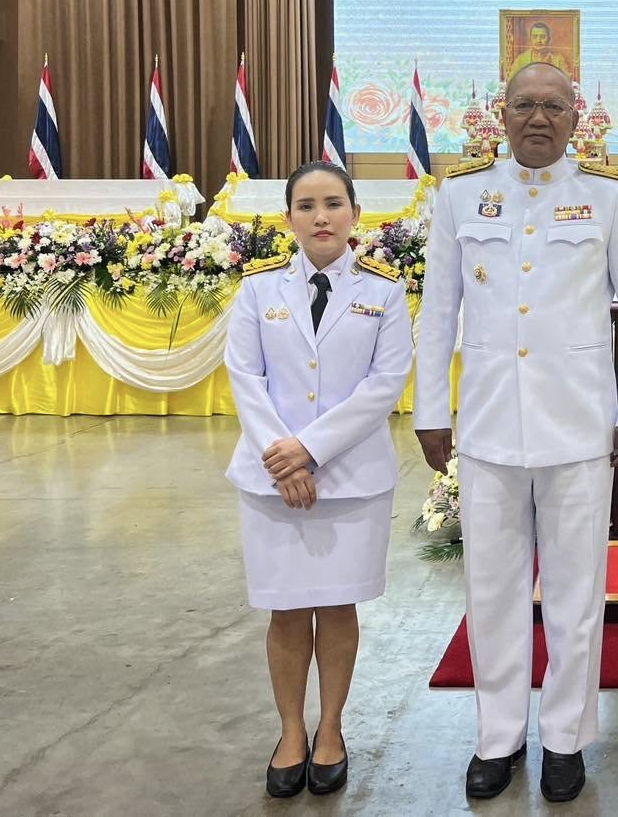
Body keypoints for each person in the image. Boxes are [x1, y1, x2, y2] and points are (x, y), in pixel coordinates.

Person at [414, 62, 618, 803]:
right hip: (489, 424)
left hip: (579, 425)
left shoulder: (608, 197)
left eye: (553, 105)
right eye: (524, 104)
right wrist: (431, 408)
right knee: (490, 589)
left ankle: (564, 739)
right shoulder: (461, 195)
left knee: (576, 594)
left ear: (575, 118)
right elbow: (439, 310)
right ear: (502, 114)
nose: (538, 117)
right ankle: (498, 737)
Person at [224, 160, 414, 798]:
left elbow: (384, 385)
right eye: (306, 206)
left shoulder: (384, 291)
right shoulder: (258, 289)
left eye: (333, 203)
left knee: (336, 605)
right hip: (271, 479)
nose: (321, 216)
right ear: (289, 220)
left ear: (356, 213)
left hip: (350, 478)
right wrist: (282, 458)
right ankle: (289, 733)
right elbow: (245, 378)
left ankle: (330, 729)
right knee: (285, 610)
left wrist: (309, 449)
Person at [508, 20, 574, 79]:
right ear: (530, 39)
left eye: (542, 37)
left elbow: (566, 81)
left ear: (549, 39)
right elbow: (512, 82)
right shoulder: (520, 60)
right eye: (535, 37)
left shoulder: (558, 59)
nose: (538, 40)